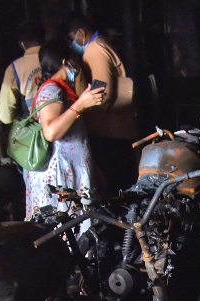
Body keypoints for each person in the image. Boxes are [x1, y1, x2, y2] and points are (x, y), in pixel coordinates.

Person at [25, 40, 105, 219]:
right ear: (64, 62)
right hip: (60, 174)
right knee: (67, 231)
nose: (76, 66)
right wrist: (81, 104)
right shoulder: (52, 90)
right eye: (73, 60)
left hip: (69, 171)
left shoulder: (59, 89)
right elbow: (51, 132)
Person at [63, 12, 136, 193]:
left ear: (80, 32)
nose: (71, 43)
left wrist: (88, 122)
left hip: (109, 131)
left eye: (71, 37)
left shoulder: (95, 49)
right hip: (116, 129)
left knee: (116, 188)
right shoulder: (102, 44)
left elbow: (102, 93)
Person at [0, 22, 45, 125]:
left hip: (34, 132)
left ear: (21, 44)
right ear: (45, 38)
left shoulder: (14, 68)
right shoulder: (61, 59)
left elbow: (5, 116)